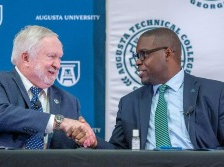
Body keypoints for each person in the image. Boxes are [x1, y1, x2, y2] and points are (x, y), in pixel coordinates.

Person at [95, 27, 224, 150]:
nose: (137, 62)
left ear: (167, 53)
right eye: (137, 56)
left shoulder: (215, 93)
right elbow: (117, 153)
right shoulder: (129, 103)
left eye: (143, 54)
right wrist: (94, 142)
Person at [0, 25, 96, 149]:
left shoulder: (69, 102)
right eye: (51, 56)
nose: (58, 65)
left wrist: (87, 139)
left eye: (60, 58)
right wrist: (59, 122)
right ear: (26, 58)